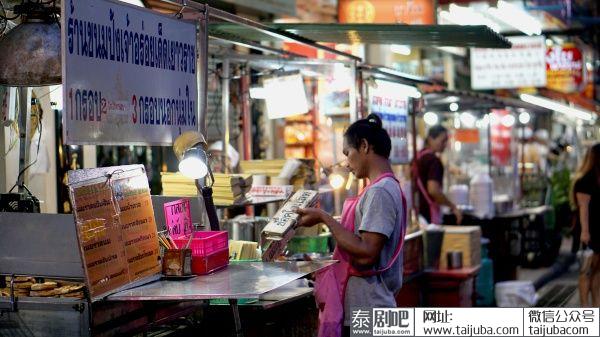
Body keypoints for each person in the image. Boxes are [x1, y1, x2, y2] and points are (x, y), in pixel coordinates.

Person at [296, 114, 407, 337]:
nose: (347, 162)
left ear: (364, 146)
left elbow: (366, 253)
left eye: (348, 153)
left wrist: (324, 218)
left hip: (370, 313)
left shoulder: (380, 192)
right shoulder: (381, 187)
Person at [413, 125, 462, 225]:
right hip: (428, 215)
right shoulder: (433, 160)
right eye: (443, 141)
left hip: (417, 213)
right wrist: (452, 206)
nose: (445, 145)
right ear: (431, 139)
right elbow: (433, 190)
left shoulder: (417, 157)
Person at [572, 143, 600, 307]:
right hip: (588, 230)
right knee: (586, 271)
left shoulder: (595, 179)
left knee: (596, 271)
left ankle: (596, 305)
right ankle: (584, 307)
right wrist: (585, 232)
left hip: (597, 229)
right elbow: (583, 208)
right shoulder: (585, 180)